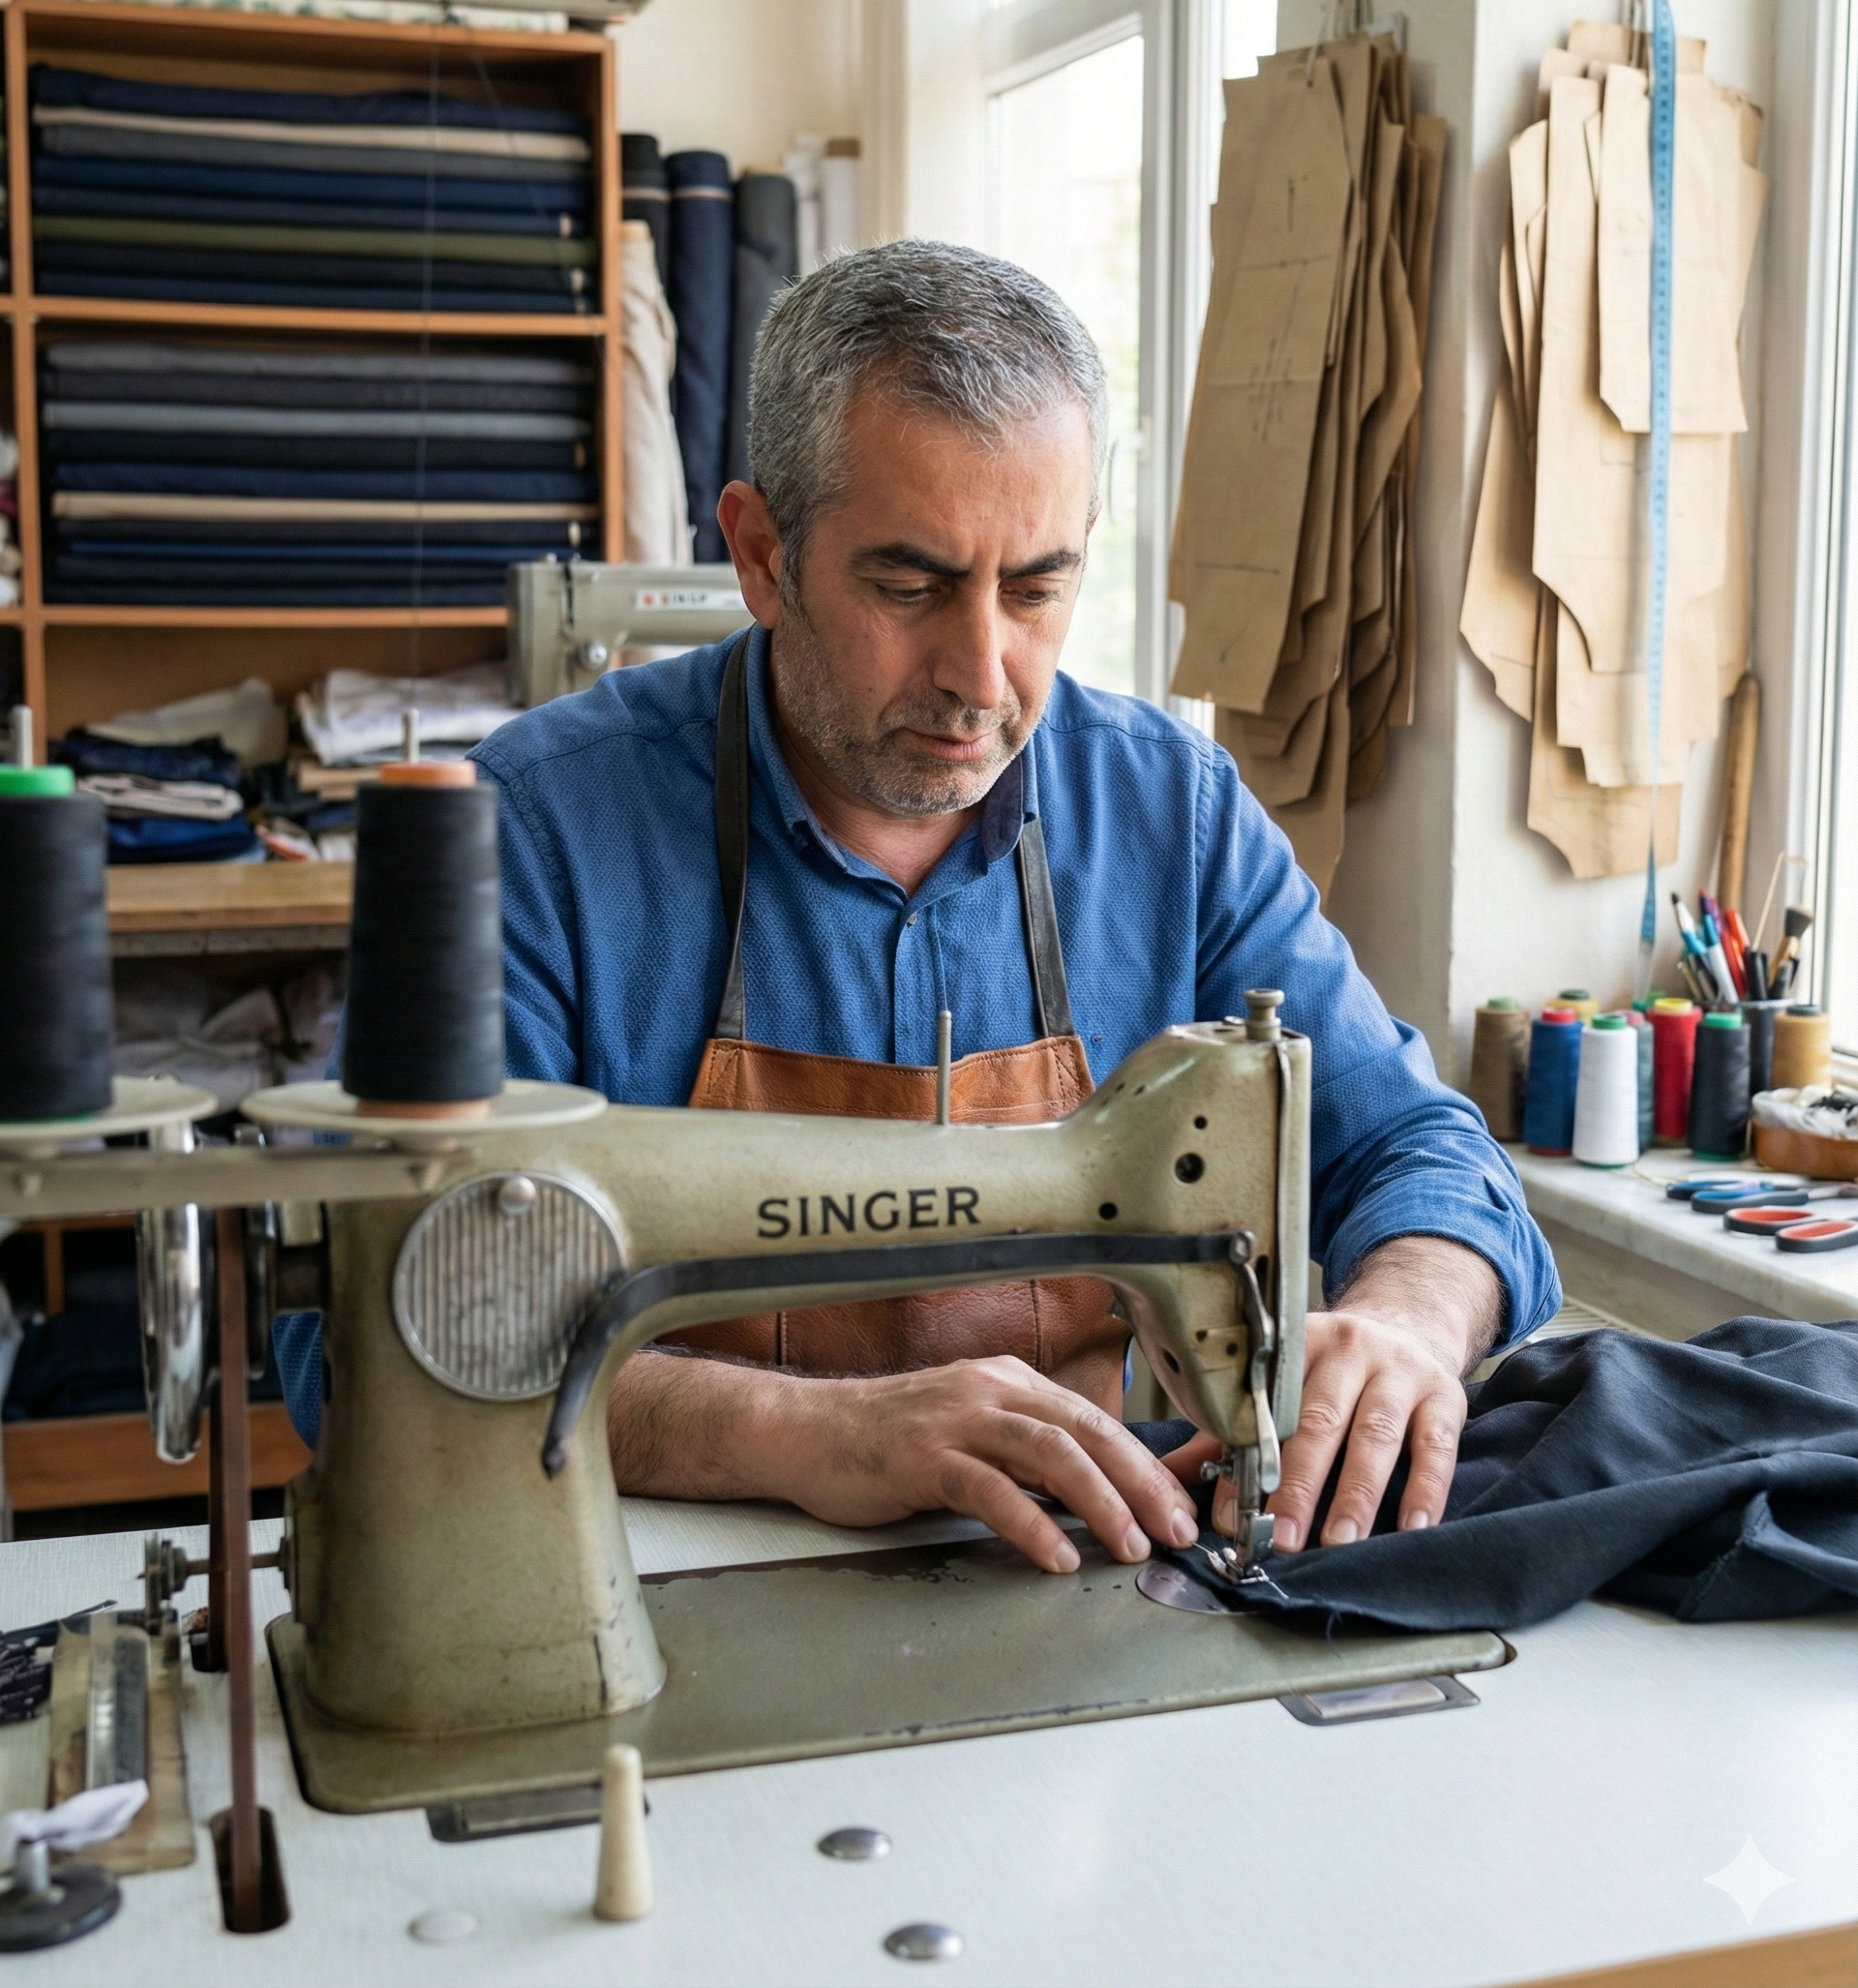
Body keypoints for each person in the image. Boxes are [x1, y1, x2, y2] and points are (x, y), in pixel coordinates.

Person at [411, 241, 1561, 1573]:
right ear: (761, 554)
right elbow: (399, 1325)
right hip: (650, 1583)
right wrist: (809, 1434)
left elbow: (1421, 1151)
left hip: (1068, 1574)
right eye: (910, 586)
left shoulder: (1167, 815)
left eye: (1037, 589)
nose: (982, 673)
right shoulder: (534, 830)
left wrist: (1410, 1317)